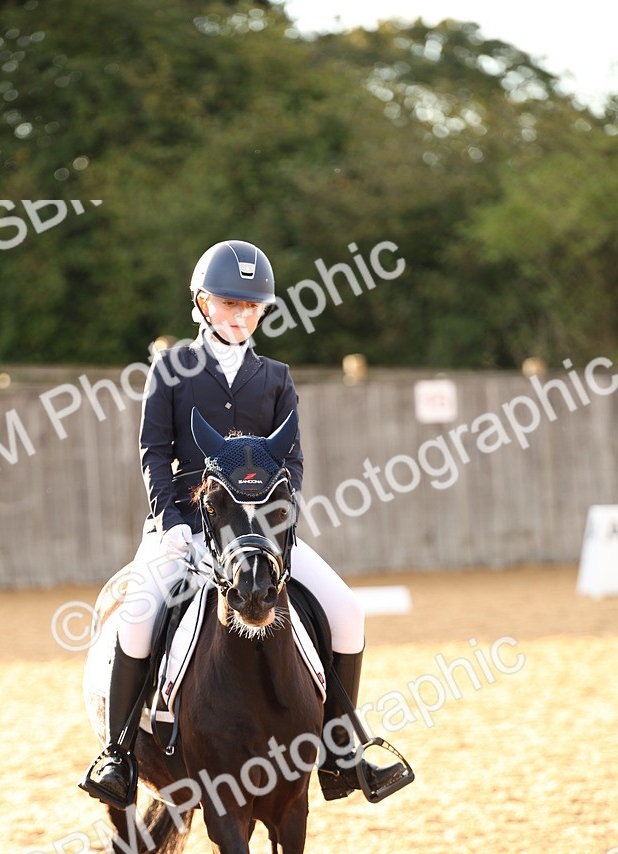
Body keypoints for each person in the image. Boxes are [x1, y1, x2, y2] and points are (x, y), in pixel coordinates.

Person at [80, 239, 408, 809]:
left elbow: (294, 463)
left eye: (251, 307)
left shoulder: (276, 377)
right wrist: (171, 520)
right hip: (184, 525)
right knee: (136, 617)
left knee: (347, 611)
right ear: (202, 303)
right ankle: (118, 755)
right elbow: (154, 452)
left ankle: (340, 750)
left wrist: (277, 527)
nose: (241, 316)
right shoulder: (172, 369)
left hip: (259, 533)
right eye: (230, 304)